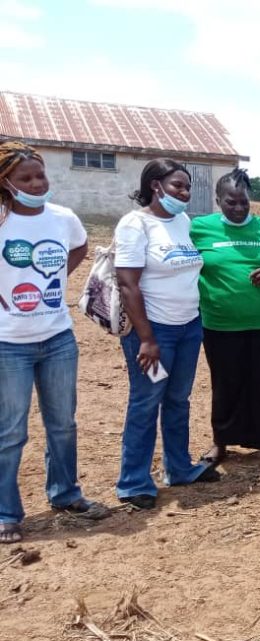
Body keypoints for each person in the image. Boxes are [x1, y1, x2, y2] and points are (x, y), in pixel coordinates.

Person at [0, 141, 109, 543]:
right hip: (8, 343)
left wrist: (60, 275)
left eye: (40, 175)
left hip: (58, 337)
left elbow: (79, 244)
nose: (36, 182)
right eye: (25, 178)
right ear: (7, 183)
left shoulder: (63, 218)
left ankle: (65, 494)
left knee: (62, 424)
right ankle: (7, 513)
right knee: (10, 431)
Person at [114, 158, 221, 510]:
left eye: (187, 186)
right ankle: (133, 482)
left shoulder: (182, 221)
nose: (185, 192)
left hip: (189, 327)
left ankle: (179, 468)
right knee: (146, 402)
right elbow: (129, 285)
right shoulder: (135, 224)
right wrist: (147, 338)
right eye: (178, 186)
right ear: (155, 185)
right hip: (153, 331)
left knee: (178, 400)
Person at [191, 169, 260, 469]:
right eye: (230, 202)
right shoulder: (199, 229)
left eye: (244, 202)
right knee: (225, 382)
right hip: (219, 323)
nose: (238, 208)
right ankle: (221, 441)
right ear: (218, 200)